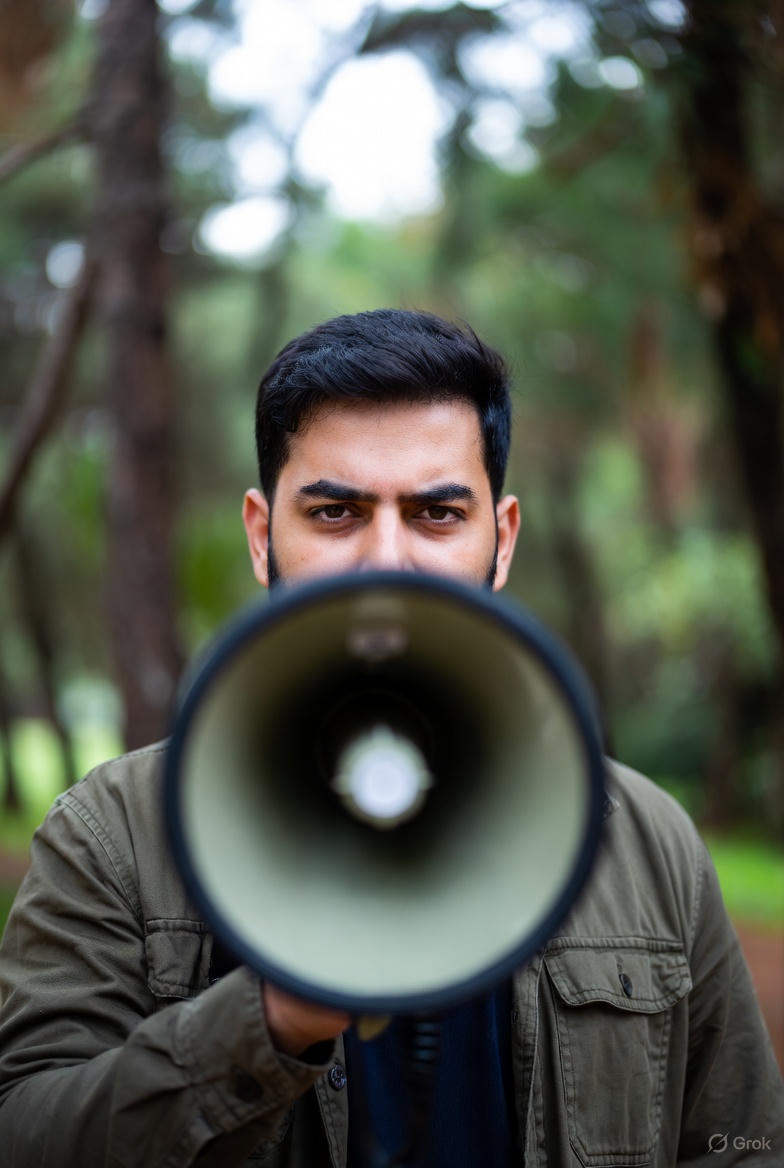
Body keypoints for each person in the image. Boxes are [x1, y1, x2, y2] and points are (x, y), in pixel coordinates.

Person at [0, 308, 781, 1167]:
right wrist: (267, 1021)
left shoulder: (646, 841)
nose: (385, 561)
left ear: (502, 540)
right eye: (335, 512)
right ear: (262, 536)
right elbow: (26, 1132)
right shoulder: (114, 836)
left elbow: (743, 1143)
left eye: (436, 514)